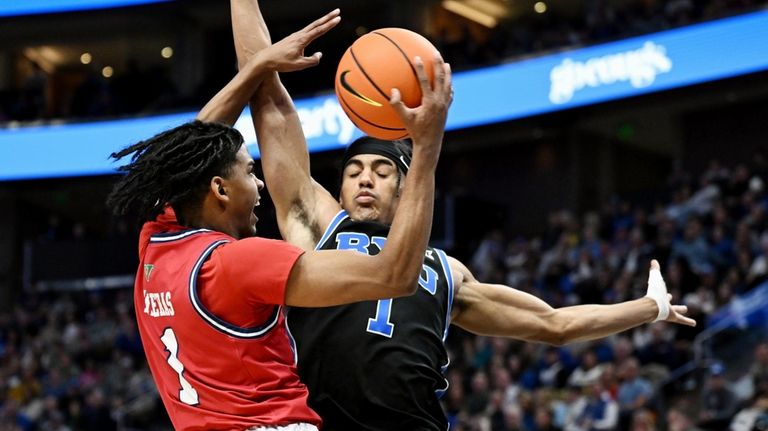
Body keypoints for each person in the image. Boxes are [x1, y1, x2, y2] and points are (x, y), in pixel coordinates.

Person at [235, 2, 695, 430]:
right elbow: (270, 106)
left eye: (380, 171)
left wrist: (649, 307)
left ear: (405, 186)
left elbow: (554, 325)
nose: (364, 180)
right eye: (353, 172)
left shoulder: (446, 272)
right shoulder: (319, 227)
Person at [106, 7, 451, 430]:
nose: (262, 186)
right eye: (251, 172)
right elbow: (395, 274)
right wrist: (427, 149)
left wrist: (259, 66)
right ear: (218, 189)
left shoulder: (156, 246)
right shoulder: (237, 264)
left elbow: (190, 149)